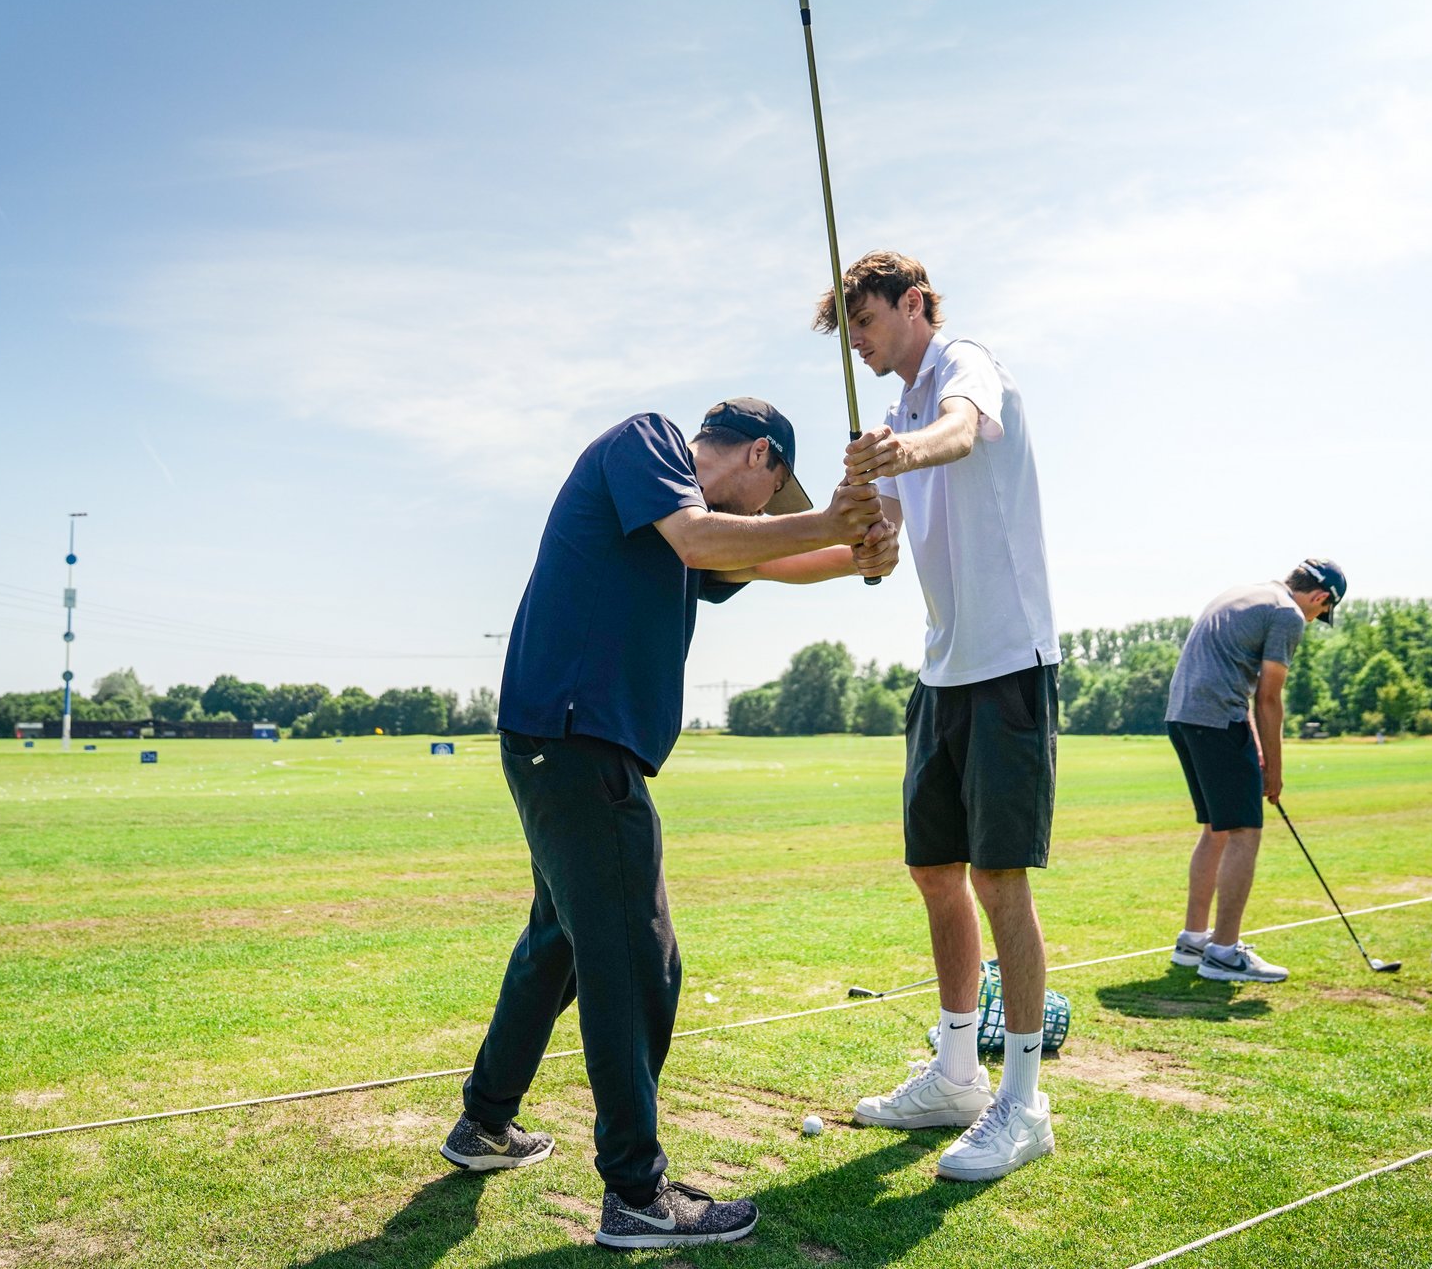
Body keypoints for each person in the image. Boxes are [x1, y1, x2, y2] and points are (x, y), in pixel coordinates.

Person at [440, 398, 898, 1249]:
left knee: (563, 942)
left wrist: (855, 551)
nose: (764, 514)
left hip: (559, 742)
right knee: (638, 960)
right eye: (771, 496)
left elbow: (765, 562)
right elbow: (707, 540)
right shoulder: (650, 448)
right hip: (580, 743)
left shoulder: (689, 518)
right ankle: (639, 1197)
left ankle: (484, 1126)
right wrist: (831, 517)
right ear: (760, 454)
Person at [822, 251, 1060, 1183]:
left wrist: (899, 454)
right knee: (934, 870)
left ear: (912, 303)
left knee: (1001, 878)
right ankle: (959, 1073)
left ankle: (1023, 1103)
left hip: (1009, 663)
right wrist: (864, 524)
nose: (861, 343)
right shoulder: (890, 415)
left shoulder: (965, 364)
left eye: (868, 323)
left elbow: (960, 434)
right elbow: (875, 549)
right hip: (943, 670)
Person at [1164, 559, 1347, 983]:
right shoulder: (1286, 614)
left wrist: (1258, 749)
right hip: (1217, 720)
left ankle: (1193, 941)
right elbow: (1268, 698)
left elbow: (1233, 678)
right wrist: (1276, 772)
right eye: (1322, 612)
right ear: (1320, 598)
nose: (1316, 618)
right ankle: (1223, 953)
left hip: (1183, 717)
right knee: (1245, 831)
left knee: (1216, 828)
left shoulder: (1243, 592)